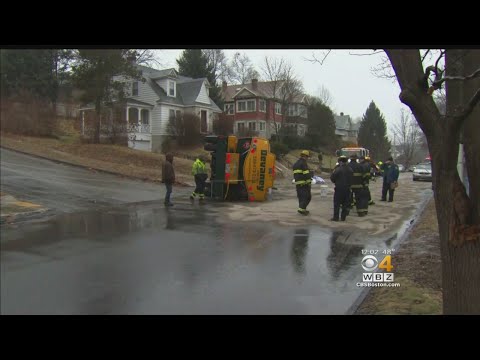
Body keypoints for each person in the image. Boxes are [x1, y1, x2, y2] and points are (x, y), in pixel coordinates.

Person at [330, 155, 353, 221]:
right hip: (348, 189)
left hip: (339, 188)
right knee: (345, 204)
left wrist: (336, 182)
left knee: (337, 203)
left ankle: (336, 217)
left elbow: (332, 178)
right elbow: (352, 179)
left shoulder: (338, 169)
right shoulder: (350, 169)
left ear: (340, 161)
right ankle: (343, 217)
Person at [293, 150, 313, 215]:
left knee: (301, 197)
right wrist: (310, 180)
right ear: (305, 156)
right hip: (304, 184)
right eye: (307, 157)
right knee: (307, 197)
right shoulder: (303, 163)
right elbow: (306, 174)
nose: (307, 158)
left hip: (298, 184)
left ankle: (302, 209)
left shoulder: (296, 163)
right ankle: (301, 210)